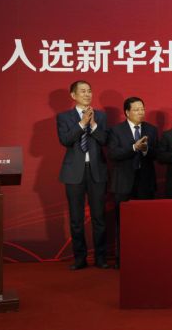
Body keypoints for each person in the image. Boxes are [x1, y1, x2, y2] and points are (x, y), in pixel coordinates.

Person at [56, 80, 109, 270]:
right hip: (73, 172)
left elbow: (105, 140)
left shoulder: (101, 116)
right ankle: (80, 258)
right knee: (76, 219)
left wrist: (93, 125)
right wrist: (82, 123)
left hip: (97, 171)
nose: (87, 94)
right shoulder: (64, 117)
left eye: (89, 91)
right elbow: (65, 140)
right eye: (83, 91)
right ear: (73, 95)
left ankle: (101, 258)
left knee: (99, 218)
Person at [108, 97, 157, 268]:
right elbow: (113, 154)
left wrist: (146, 150)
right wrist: (134, 148)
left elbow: (157, 154)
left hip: (145, 182)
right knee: (122, 223)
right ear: (127, 112)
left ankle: (145, 259)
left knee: (146, 223)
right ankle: (122, 259)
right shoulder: (116, 130)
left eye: (142, 109)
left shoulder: (151, 129)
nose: (141, 112)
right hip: (123, 182)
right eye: (136, 109)